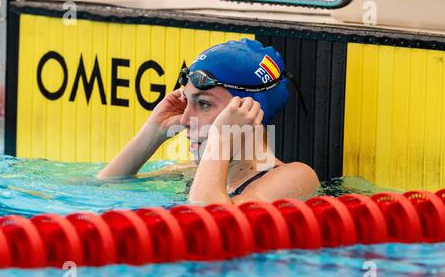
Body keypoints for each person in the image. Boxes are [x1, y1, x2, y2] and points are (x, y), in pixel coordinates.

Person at [97, 38, 320, 204]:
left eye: (203, 104)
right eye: (186, 103)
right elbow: (104, 190)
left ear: (249, 110)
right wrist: (154, 131)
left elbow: (209, 223)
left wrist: (221, 138)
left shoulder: (294, 177)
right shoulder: (190, 172)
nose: (184, 120)